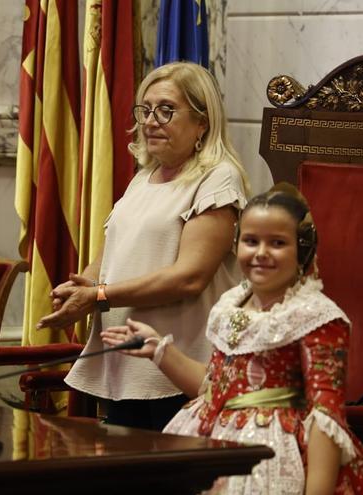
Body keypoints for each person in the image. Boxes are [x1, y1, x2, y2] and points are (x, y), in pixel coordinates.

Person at [101, 184, 363, 494]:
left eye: (277, 243)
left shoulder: (316, 316)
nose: (261, 253)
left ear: (302, 249)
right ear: (237, 245)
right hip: (214, 439)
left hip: (276, 452)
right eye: (251, 241)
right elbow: (214, 388)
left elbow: (326, 419)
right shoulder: (231, 302)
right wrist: (161, 352)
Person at [36, 62, 251, 431]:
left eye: (166, 110)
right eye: (145, 109)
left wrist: (100, 296)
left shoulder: (218, 179)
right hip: (128, 362)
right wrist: (82, 286)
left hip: (181, 365)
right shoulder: (143, 178)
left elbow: (189, 278)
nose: (151, 121)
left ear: (202, 122)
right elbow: (112, 255)